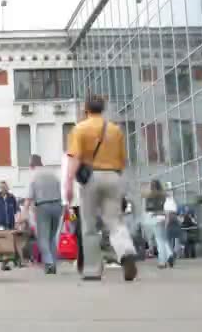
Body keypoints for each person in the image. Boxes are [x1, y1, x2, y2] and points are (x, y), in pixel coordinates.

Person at [64, 95, 137, 282]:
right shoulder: (115, 130)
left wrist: (69, 183)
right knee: (115, 221)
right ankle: (126, 251)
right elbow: (123, 162)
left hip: (90, 179)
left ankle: (92, 270)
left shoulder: (79, 129)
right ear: (103, 109)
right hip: (113, 176)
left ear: (86, 109)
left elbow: (75, 158)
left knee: (89, 225)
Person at [23, 154, 63, 274]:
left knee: (43, 238)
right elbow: (62, 189)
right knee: (52, 237)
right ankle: (53, 263)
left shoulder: (33, 175)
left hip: (43, 206)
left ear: (31, 165)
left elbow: (29, 197)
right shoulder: (53, 173)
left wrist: (24, 212)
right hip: (57, 205)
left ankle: (49, 263)